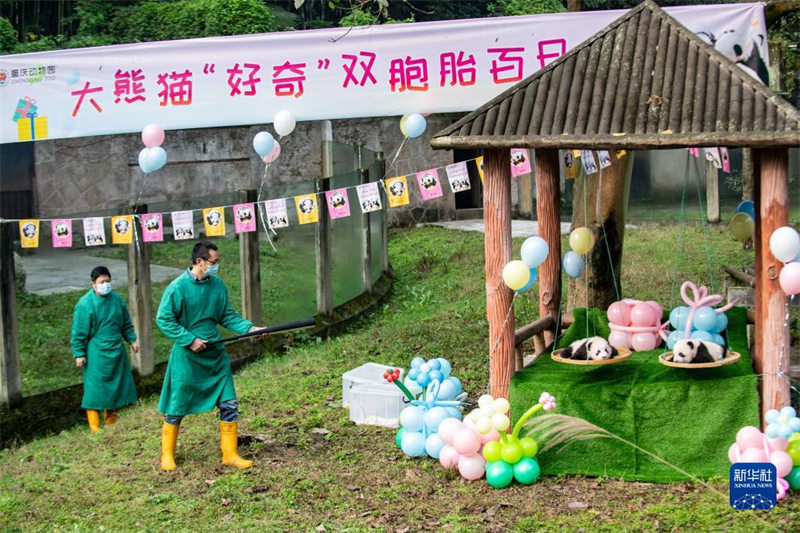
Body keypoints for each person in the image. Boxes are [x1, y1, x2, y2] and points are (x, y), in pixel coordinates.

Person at [156, 241, 266, 471]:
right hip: (187, 358)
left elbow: (227, 315)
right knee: (177, 407)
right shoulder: (177, 288)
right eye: (213, 262)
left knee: (229, 403)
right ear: (200, 262)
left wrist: (249, 328)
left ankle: (230, 454)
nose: (217, 266)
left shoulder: (217, 285)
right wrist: (189, 340)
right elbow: (164, 319)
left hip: (215, 355)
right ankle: (167, 455)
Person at [70, 266, 139, 432]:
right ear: (94, 284)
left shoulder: (117, 300)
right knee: (95, 390)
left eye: (108, 281)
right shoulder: (85, 304)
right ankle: (95, 428)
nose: (105, 285)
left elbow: (126, 322)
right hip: (96, 352)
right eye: (102, 282)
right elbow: (78, 331)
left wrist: (132, 339)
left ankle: (111, 424)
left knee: (115, 388)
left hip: (116, 350)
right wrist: (79, 353)